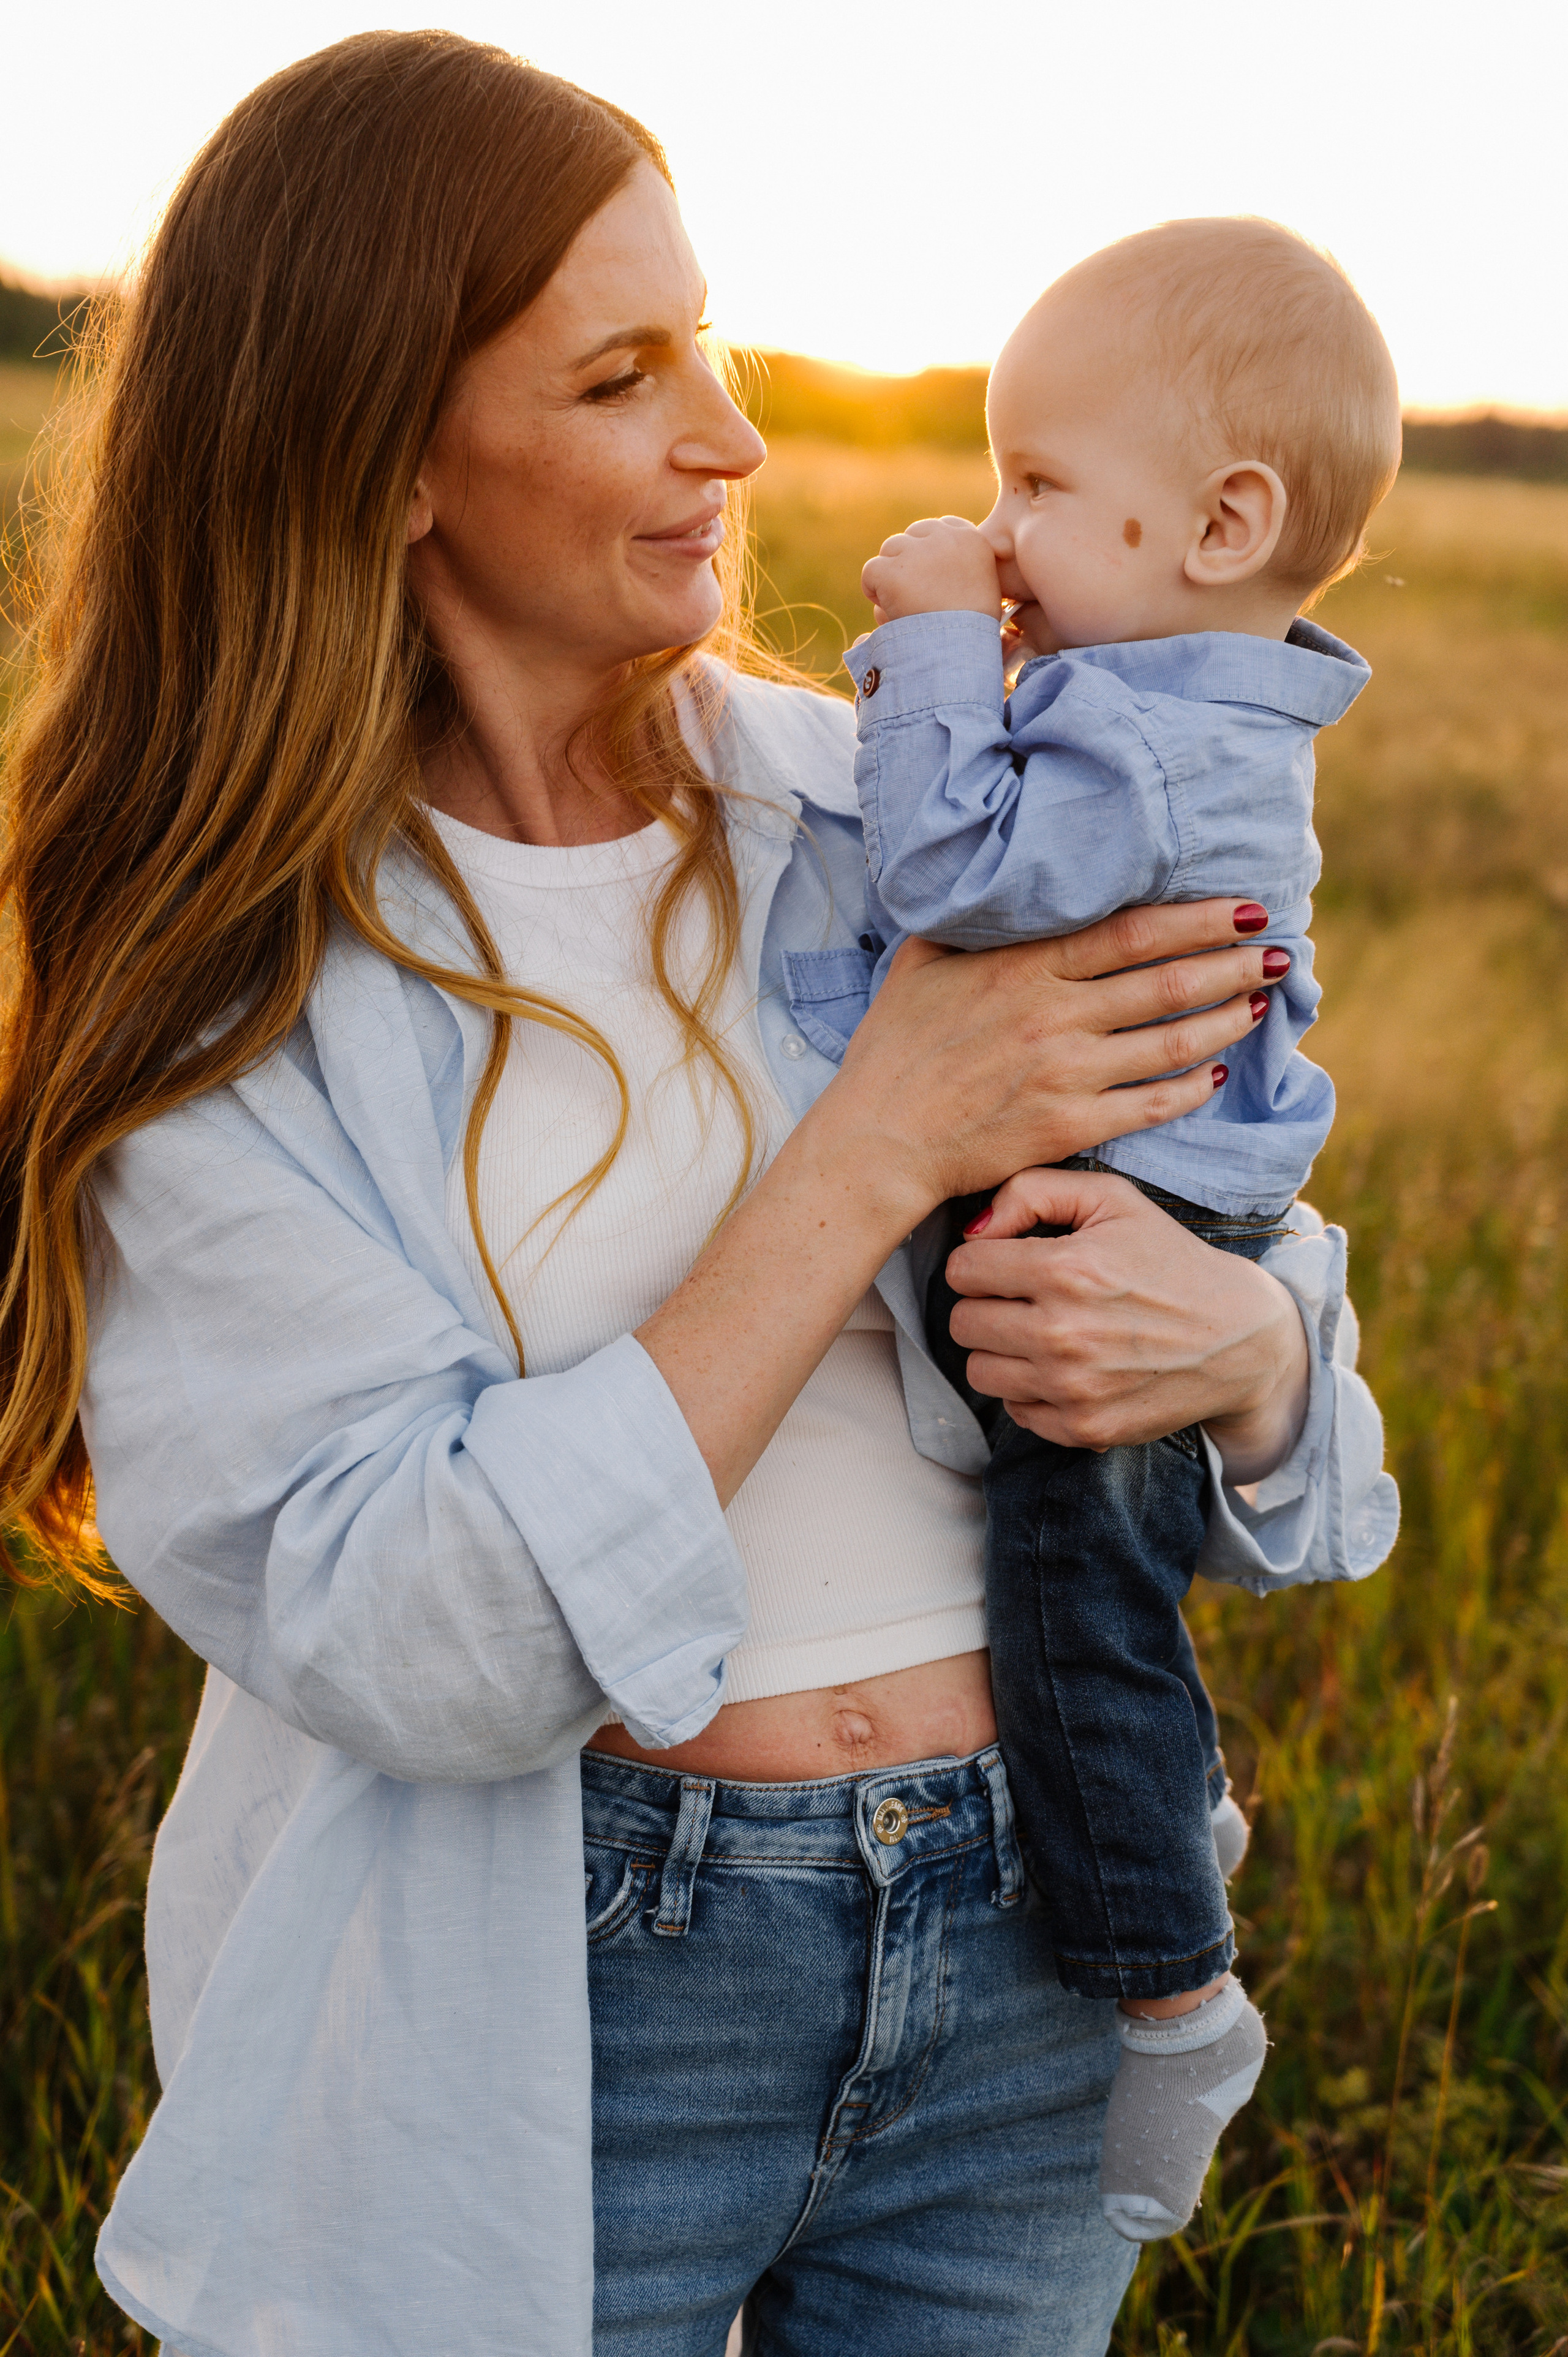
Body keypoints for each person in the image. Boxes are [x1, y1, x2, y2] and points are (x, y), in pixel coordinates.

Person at [0, 34, 1396, 2357]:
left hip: (1037, 1951)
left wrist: (1247, 1357)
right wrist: (876, 1147)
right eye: (625, 376)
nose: (732, 443)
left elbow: (1274, 1326)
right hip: (564, 2010)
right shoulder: (216, 981)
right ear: (389, 448)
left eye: (715, 346)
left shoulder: (886, 803)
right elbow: (404, 1630)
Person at [843, 217, 1401, 2241]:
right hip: (1149, 1192)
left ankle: (1174, 1990)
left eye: (1041, 487)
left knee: (1075, 1602)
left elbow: (949, 869)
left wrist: (921, 646)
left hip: (1130, 1209)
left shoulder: (1150, 741)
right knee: (1095, 1593)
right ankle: (1151, 1800)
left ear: (1220, 521)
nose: (1000, 532)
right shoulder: (1179, 707)